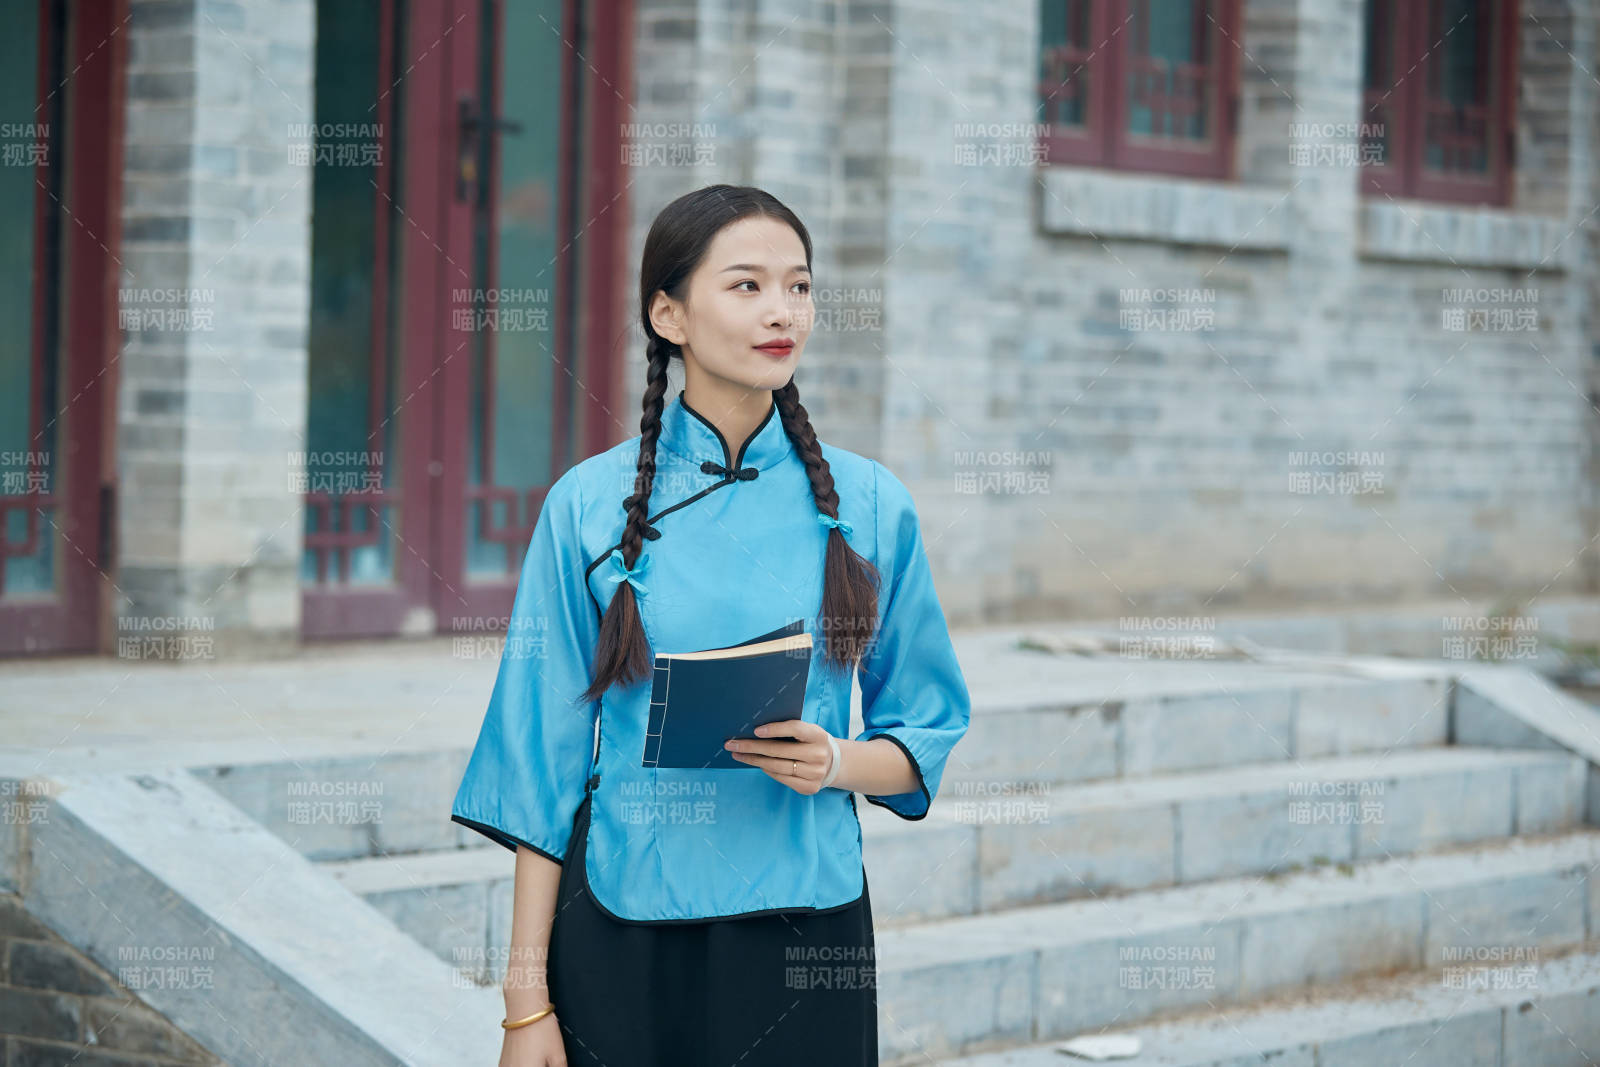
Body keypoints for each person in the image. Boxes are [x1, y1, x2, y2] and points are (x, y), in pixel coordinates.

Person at [450, 183, 972, 1066]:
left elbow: (924, 726)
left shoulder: (873, 508)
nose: (783, 312)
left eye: (799, 286)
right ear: (669, 314)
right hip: (623, 922)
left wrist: (836, 760)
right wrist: (523, 1001)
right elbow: (536, 765)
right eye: (747, 286)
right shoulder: (585, 507)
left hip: (807, 930)